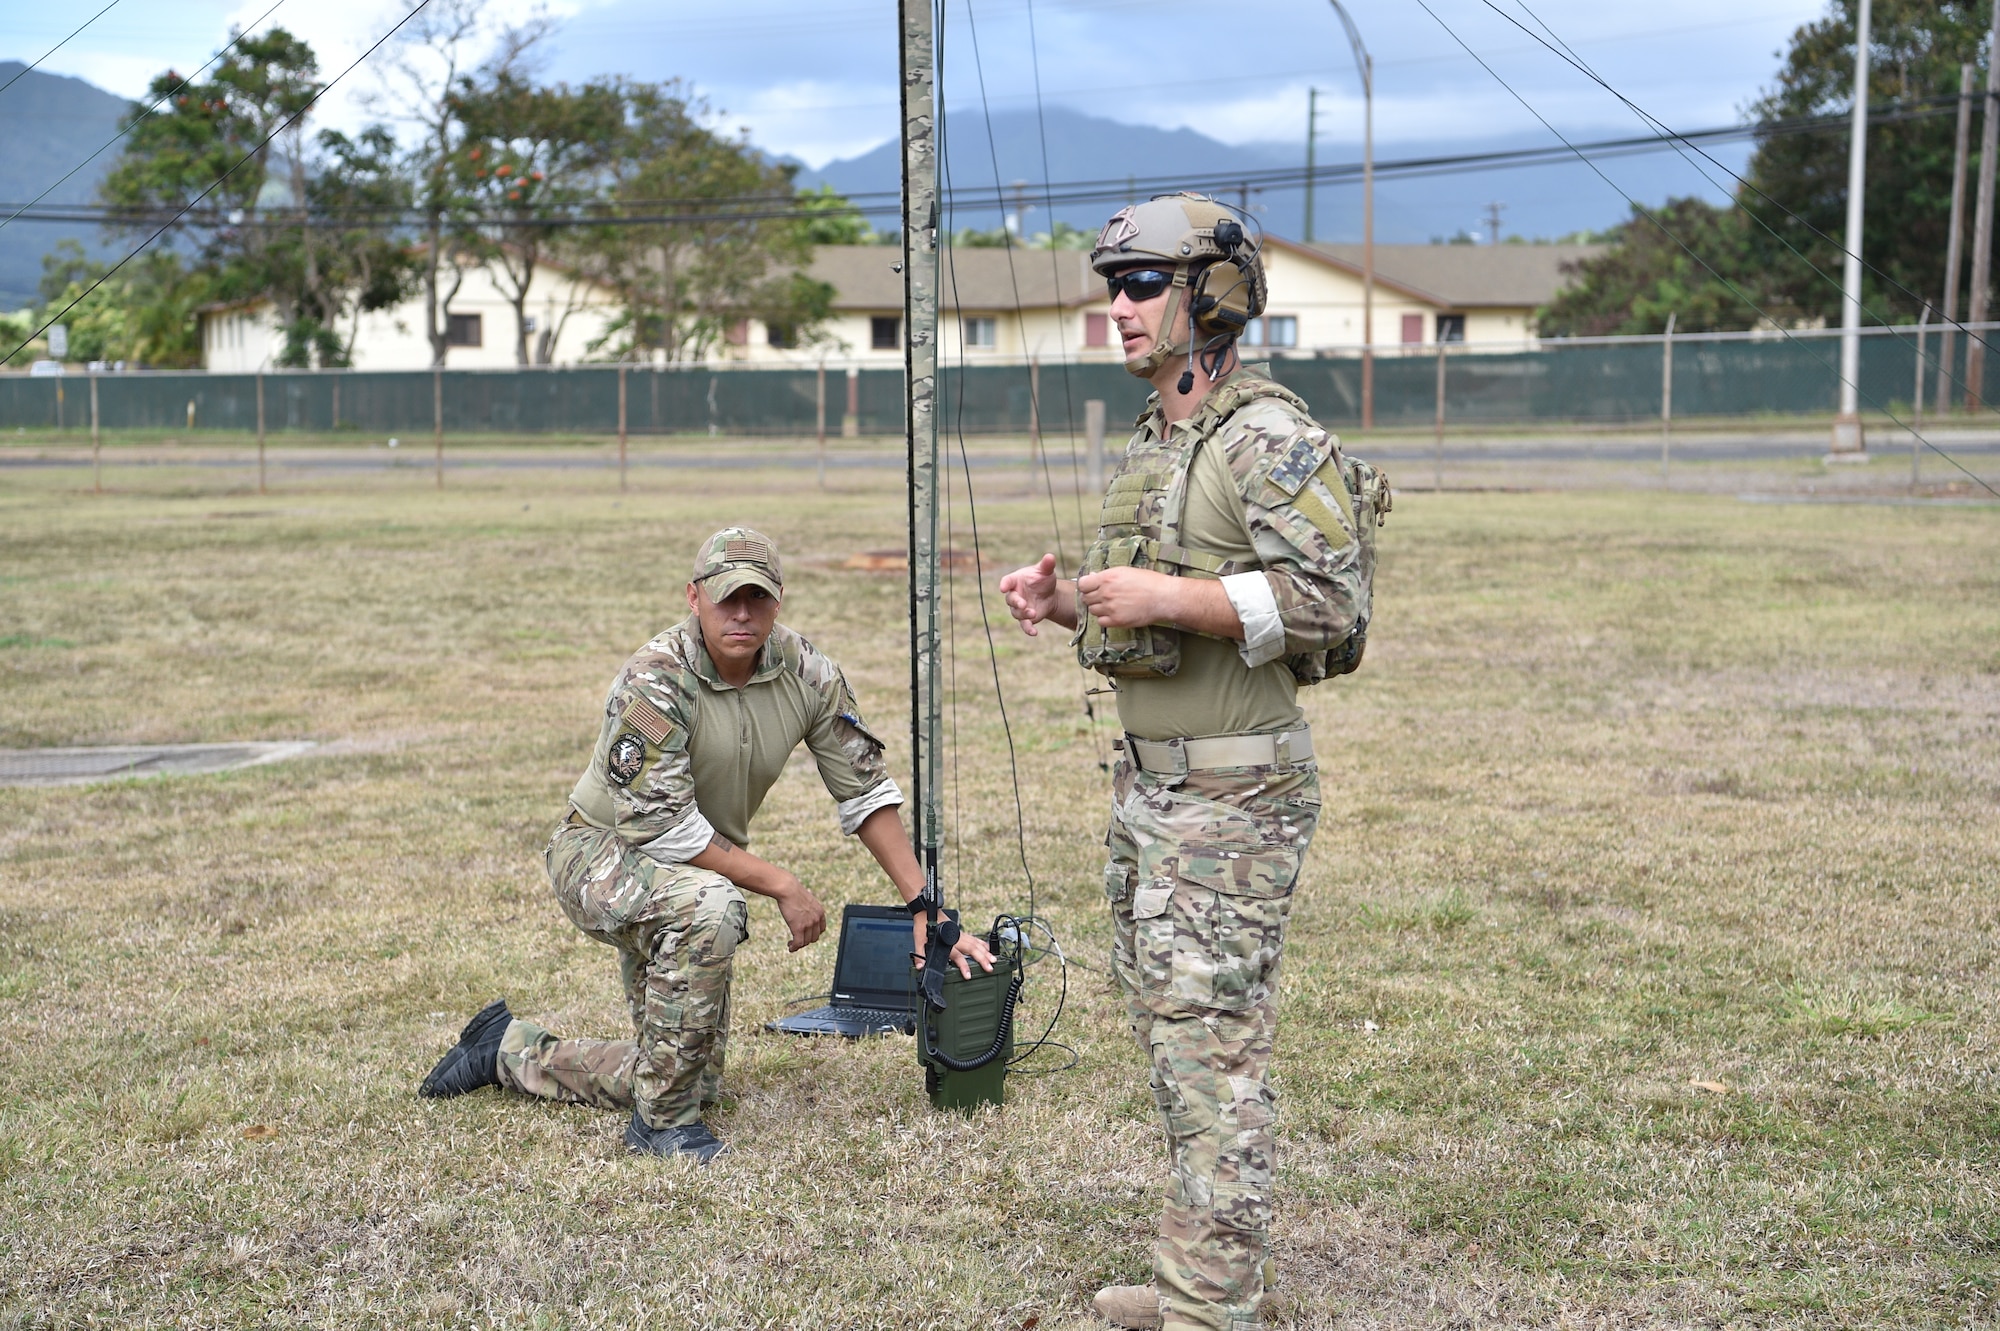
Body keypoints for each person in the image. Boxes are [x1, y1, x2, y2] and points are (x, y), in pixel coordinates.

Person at [999, 194, 1384, 1331]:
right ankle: (1196, 1281)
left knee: (1210, 1048)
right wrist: (1071, 600)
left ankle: (1212, 1307)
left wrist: (1171, 594)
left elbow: (1332, 597)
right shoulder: (1165, 436)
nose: (1114, 307)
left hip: (1232, 791)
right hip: (1159, 785)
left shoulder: (1267, 436)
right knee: (1176, 1039)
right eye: (1110, 285)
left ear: (1208, 294)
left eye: (1139, 283)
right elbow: (1151, 613)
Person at [421, 526, 993, 1160]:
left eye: (757, 599)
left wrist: (924, 909)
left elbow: (864, 793)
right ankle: (661, 1128)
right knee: (712, 910)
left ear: (779, 602)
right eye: (727, 599)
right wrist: (783, 884)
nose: (742, 614)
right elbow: (662, 828)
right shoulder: (654, 678)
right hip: (600, 851)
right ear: (694, 598)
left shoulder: (807, 672)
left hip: (692, 865)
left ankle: (505, 1051)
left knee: (690, 1070)